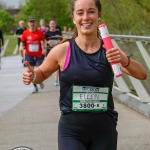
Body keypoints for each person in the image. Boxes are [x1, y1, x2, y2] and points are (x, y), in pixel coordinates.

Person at [22, 0, 147, 149]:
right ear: (73, 17)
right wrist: (32, 76)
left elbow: (142, 75)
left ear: (99, 15)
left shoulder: (108, 51)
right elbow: (41, 72)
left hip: (104, 130)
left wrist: (124, 59)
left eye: (91, 11)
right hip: (71, 131)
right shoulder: (63, 50)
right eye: (80, 13)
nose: (86, 17)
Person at [20, 17, 46, 93]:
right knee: (30, 71)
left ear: (35, 23)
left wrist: (44, 48)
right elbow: (22, 42)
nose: (32, 23)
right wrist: (21, 47)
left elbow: (44, 40)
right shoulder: (25, 33)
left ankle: (39, 81)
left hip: (38, 55)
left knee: (38, 70)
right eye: (30, 22)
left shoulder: (40, 32)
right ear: (28, 23)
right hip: (29, 55)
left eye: (33, 22)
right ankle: (35, 87)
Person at [45, 19, 62, 86]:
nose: (52, 25)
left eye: (53, 24)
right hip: (49, 51)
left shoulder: (59, 32)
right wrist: (47, 42)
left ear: (55, 25)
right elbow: (43, 42)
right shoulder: (46, 33)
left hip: (57, 51)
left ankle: (56, 80)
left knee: (57, 66)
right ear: (49, 25)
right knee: (50, 65)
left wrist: (59, 42)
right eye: (51, 24)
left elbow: (62, 40)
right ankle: (50, 72)